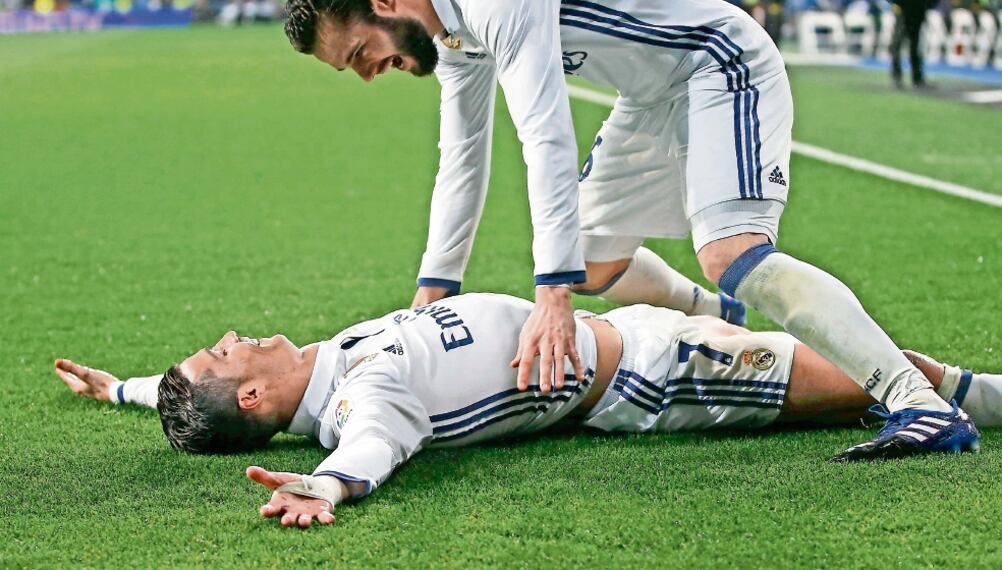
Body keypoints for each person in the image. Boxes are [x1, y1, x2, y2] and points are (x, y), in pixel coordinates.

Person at [281, 0, 978, 460]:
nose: (371, 73)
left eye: (359, 55)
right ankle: (726, 315)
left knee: (731, 250)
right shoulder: (453, 31)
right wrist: (430, 297)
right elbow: (461, 162)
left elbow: (545, 135)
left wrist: (551, 297)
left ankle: (918, 403)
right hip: (653, 96)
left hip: (716, 61)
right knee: (589, 256)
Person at [56, 293, 993, 528]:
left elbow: (203, 401)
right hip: (661, 375)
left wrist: (130, 390)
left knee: (869, 369)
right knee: (876, 378)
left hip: (623, 332)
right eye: (222, 356)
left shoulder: (316, 364)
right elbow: (380, 443)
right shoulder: (357, 399)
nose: (229, 336)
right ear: (256, 399)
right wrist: (334, 486)